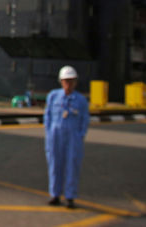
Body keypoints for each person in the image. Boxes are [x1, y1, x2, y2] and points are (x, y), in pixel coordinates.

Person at [44, 65, 90, 209]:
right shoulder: (53, 96)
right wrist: (49, 132)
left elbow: (85, 119)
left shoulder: (81, 100)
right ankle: (55, 195)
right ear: (61, 81)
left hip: (73, 137)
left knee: (72, 166)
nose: (68, 84)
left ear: (75, 82)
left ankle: (70, 196)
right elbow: (48, 115)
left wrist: (80, 135)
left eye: (71, 81)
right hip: (55, 135)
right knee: (54, 165)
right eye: (66, 81)